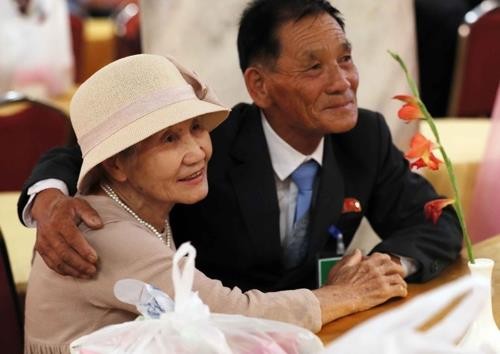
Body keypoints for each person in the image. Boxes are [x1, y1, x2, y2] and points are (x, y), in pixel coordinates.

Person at [19, 0, 460, 295]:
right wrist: (49, 196)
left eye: (345, 59)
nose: (342, 83)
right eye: (314, 67)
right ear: (260, 86)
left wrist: (387, 266)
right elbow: (82, 151)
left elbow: (437, 224)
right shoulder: (210, 144)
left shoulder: (363, 136)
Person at [26, 54, 406, 353]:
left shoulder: (144, 205)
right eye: (169, 140)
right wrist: (347, 294)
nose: (196, 153)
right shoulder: (104, 232)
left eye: (196, 129)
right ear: (116, 164)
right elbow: (228, 315)